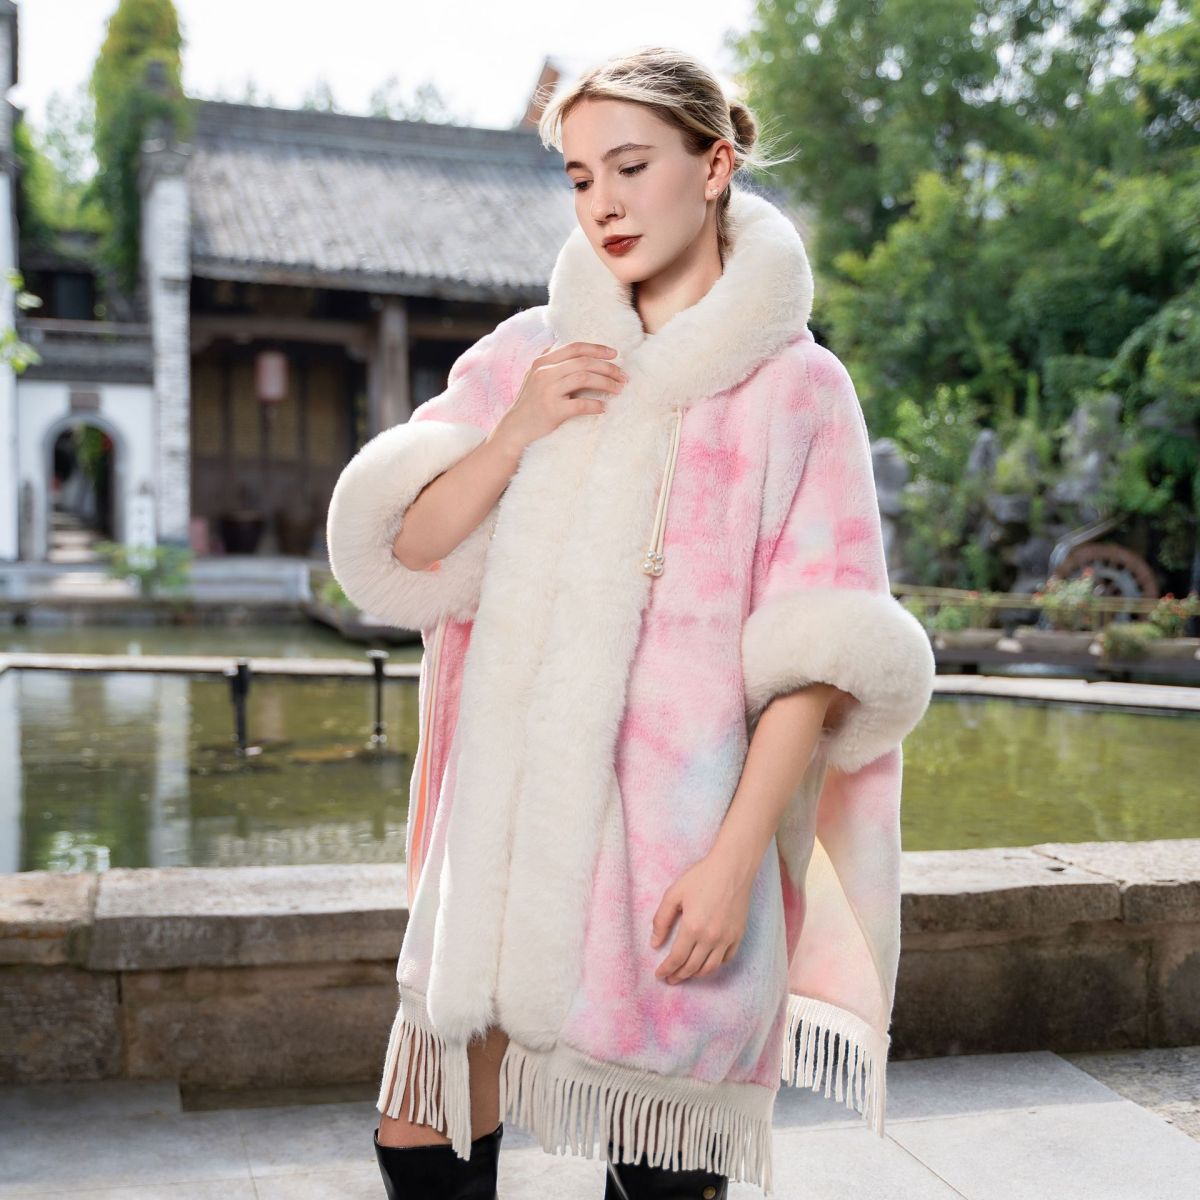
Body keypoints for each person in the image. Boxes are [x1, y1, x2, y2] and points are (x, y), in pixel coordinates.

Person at [326, 45, 935, 1200]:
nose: (601, 202)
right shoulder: (530, 354)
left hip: (680, 841)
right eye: (578, 176)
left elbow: (819, 661)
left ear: (715, 166)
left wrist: (733, 862)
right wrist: (518, 431)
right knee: (419, 1131)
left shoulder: (799, 391)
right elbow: (405, 550)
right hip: (504, 836)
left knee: (662, 1170)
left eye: (630, 166)